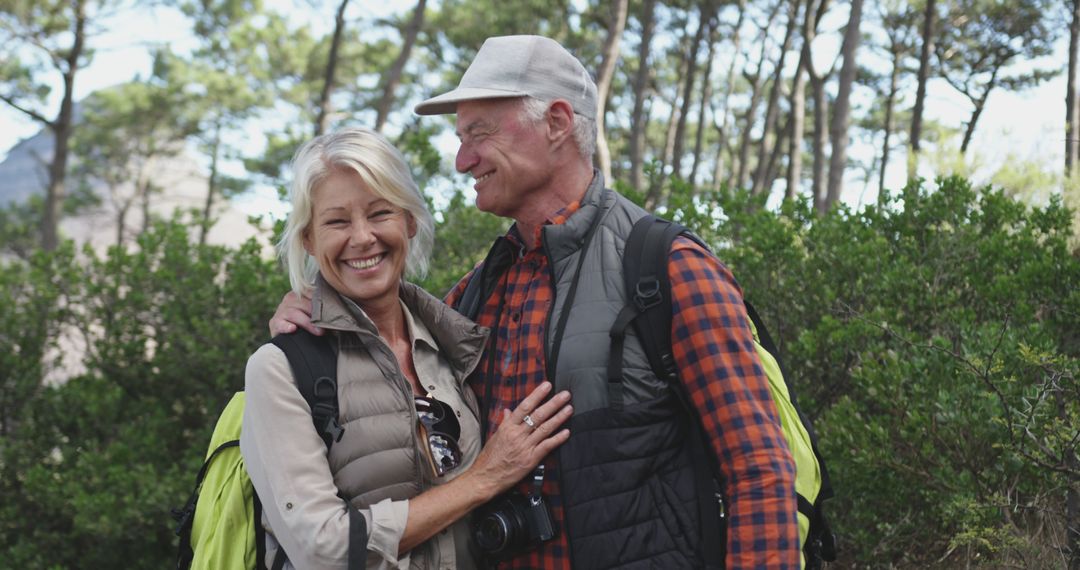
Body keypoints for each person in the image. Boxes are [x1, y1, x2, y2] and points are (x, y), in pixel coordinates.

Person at [271, 36, 800, 569]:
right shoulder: (478, 291)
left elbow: (758, 469)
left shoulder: (666, 268)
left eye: (479, 133)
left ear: (557, 122)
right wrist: (313, 308)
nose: (462, 160)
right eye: (460, 137)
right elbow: (386, 332)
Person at [244, 126, 573, 569]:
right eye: (337, 221)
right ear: (309, 239)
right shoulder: (281, 369)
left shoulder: (455, 339)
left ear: (409, 221)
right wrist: (484, 478)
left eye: (380, 213)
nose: (362, 238)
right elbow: (321, 549)